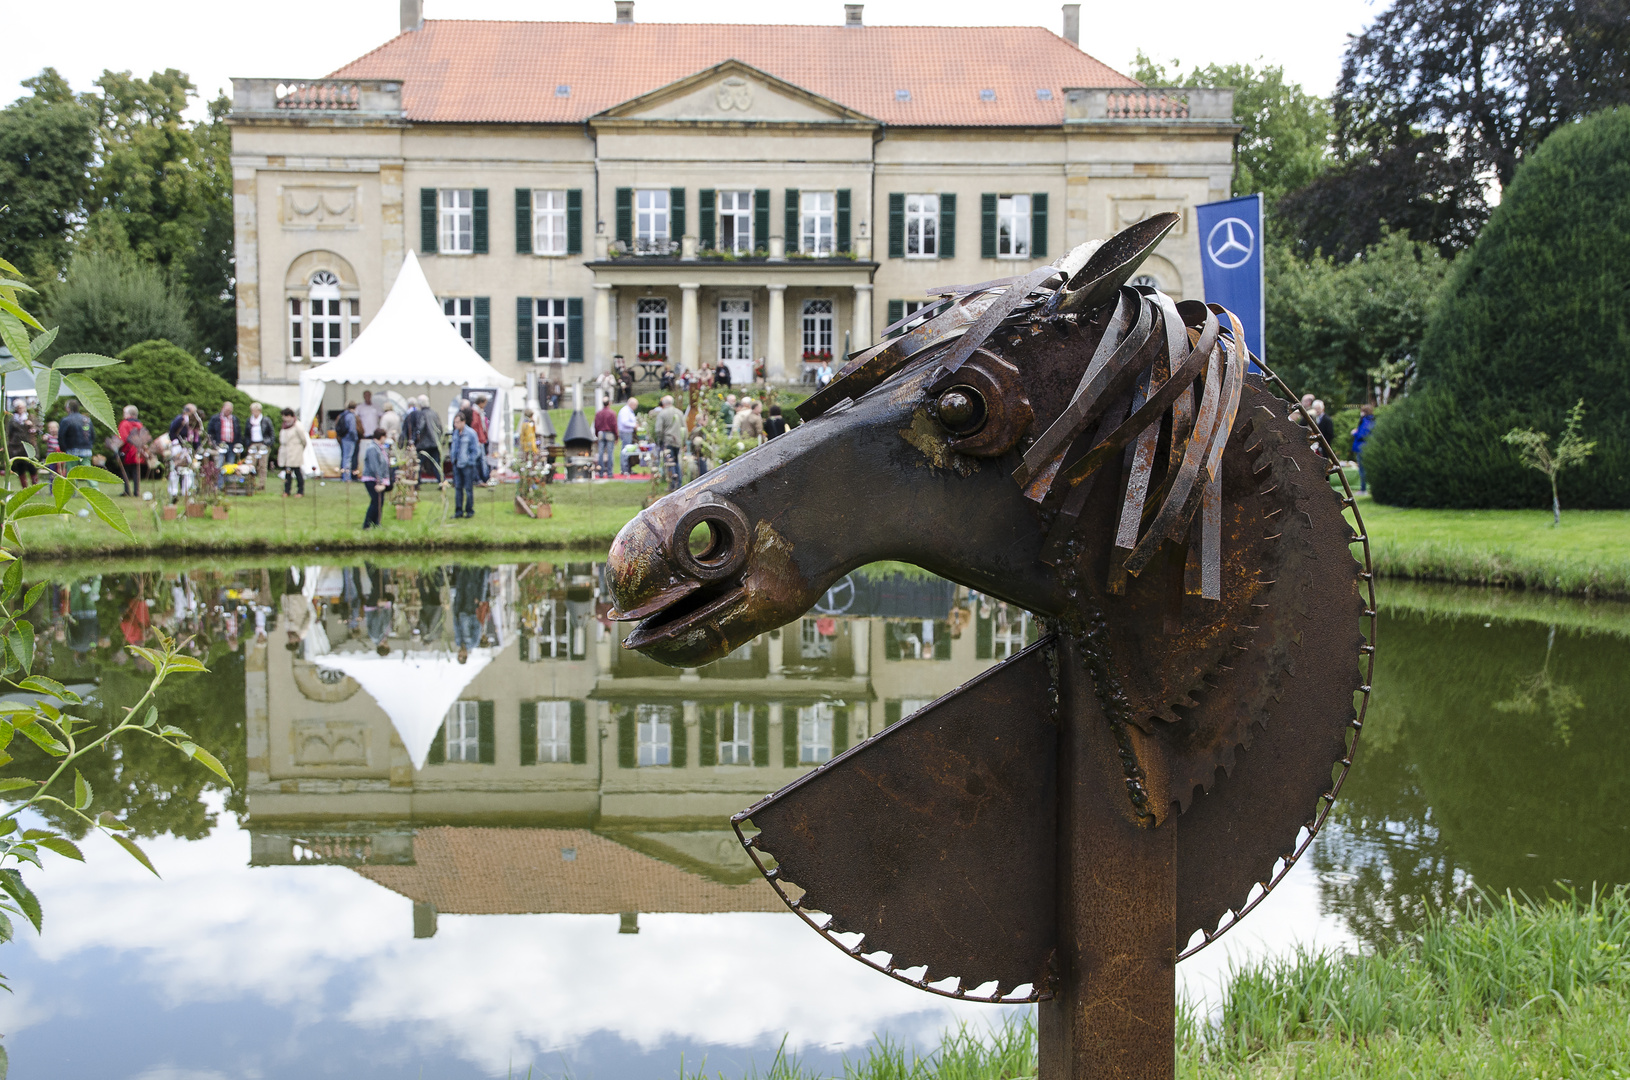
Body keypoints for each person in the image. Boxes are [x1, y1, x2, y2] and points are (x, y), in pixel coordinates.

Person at [448, 411, 482, 519]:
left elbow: (476, 451)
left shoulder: (471, 433)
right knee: (458, 488)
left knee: (468, 488)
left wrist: (469, 460)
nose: (455, 425)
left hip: (467, 466)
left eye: (457, 422)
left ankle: (469, 510)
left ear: (463, 422)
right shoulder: (455, 433)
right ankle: (458, 511)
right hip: (457, 464)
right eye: (454, 422)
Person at [650, 394, 684, 490]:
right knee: (677, 461)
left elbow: (658, 430)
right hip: (678, 441)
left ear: (664, 403)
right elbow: (684, 428)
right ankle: (679, 483)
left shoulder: (662, 413)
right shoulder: (679, 413)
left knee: (669, 461)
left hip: (668, 441)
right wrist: (683, 441)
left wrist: (659, 441)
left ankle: (672, 483)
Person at [359, 428, 390, 530]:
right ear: (381, 437)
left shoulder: (379, 448)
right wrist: (379, 481)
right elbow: (374, 466)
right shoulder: (372, 448)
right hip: (372, 479)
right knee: (375, 501)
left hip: (377, 479)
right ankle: (367, 524)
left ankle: (376, 523)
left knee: (380, 502)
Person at [117, 405, 147, 497]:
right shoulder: (139, 424)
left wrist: (117, 448)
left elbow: (122, 438)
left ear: (128, 414)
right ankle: (136, 491)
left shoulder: (124, 423)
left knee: (125, 471)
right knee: (136, 471)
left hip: (127, 451)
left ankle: (126, 490)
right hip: (137, 451)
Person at [411, 394, 443, 483]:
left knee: (418, 463)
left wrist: (415, 439)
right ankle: (441, 481)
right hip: (435, 442)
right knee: (436, 464)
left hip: (424, 444)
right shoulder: (434, 413)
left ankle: (416, 481)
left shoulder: (422, 414)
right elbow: (440, 427)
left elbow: (420, 427)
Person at [278, 407, 309, 496]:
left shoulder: (297, 425)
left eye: (286, 416)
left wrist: (299, 448)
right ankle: (287, 490)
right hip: (286, 451)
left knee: (297, 471)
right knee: (287, 472)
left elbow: (303, 439)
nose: (285, 419)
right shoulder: (284, 426)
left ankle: (300, 491)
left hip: (295, 451)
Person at [58, 399, 94, 473]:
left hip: (71, 450)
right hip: (86, 449)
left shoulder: (66, 420)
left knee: (71, 472)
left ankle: (73, 485)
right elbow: (92, 434)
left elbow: (61, 436)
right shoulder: (86, 419)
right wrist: (89, 445)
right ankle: (93, 484)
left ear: (68, 408)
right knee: (88, 471)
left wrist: (63, 448)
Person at [1351, 404, 1376, 493]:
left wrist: (1355, 433)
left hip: (1362, 448)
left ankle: (1363, 489)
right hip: (1366, 447)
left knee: (1362, 469)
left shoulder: (1365, 421)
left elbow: (1363, 434)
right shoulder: (1372, 421)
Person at [335, 401, 360, 481]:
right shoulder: (351, 416)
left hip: (343, 438)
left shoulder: (343, 415)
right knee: (348, 458)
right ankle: (347, 477)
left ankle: (344, 475)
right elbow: (352, 429)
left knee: (345, 457)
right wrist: (355, 438)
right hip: (349, 439)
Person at [593, 397, 618, 476]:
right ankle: (610, 473)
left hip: (601, 433)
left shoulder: (599, 413)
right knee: (610, 454)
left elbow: (596, 425)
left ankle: (600, 472)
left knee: (600, 454)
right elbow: (614, 426)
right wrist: (616, 437)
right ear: (609, 403)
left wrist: (597, 434)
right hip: (610, 434)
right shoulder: (612, 413)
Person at [167, 437, 196, 502]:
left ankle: (186, 491)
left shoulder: (187, 446)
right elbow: (173, 458)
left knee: (189, 474)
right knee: (173, 475)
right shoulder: (174, 444)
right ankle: (173, 492)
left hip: (185, 467)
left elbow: (189, 460)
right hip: (176, 467)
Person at [616, 396, 640, 472]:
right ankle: (624, 469)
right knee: (626, 450)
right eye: (635, 405)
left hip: (629, 432)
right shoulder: (625, 411)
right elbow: (624, 422)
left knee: (630, 450)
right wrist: (634, 425)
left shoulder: (629, 411)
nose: (636, 407)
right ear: (631, 404)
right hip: (626, 432)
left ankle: (628, 468)